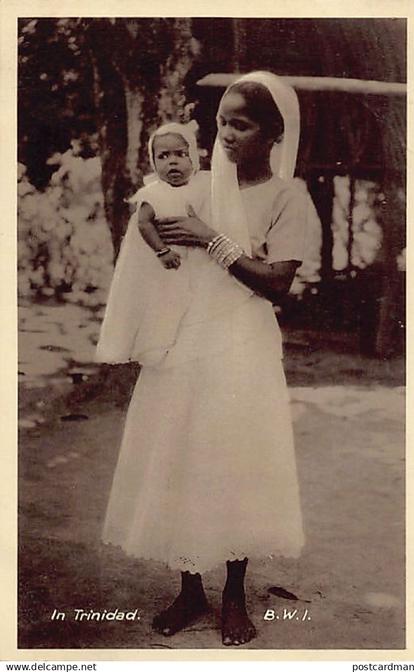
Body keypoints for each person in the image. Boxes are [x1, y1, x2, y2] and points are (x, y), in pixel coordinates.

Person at [100, 71, 308, 647]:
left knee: (234, 457)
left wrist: (209, 238)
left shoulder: (287, 196)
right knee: (181, 452)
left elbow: (276, 284)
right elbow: (149, 216)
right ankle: (190, 589)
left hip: (243, 340)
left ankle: (234, 594)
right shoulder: (197, 183)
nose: (226, 133)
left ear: (272, 133)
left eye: (240, 124)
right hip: (187, 336)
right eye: (221, 122)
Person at [95, 121, 212, 367]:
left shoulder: (204, 187)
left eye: (180, 154)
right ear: (153, 161)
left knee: (195, 307)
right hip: (166, 263)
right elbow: (144, 224)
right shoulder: (154, 194)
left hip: (198, 259)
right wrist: (162, 250)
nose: (172, 162)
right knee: (165, 304)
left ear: (193, 156)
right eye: (163, 156)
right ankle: (158, 347)